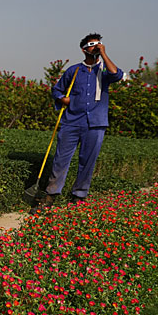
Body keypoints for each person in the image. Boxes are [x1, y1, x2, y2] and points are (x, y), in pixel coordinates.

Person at [31, 32, 123, 213]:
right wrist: (62, 99)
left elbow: (116, 74)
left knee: (87, 161)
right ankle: (50, 196)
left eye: (98, 43)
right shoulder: (73, 70)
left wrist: (103, 53)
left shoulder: (104, 69)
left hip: (96, 123)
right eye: (92, 44)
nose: (95, 46)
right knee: (60, 159)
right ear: (84, 49)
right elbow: (56, 90)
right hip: (71, 122)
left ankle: (79, 197)